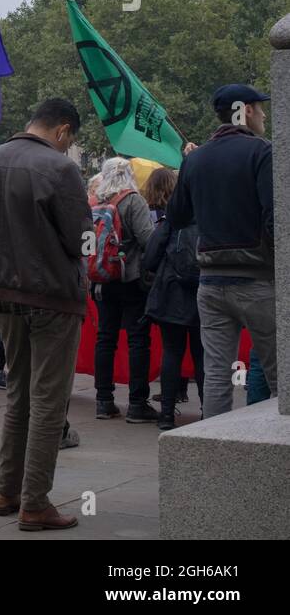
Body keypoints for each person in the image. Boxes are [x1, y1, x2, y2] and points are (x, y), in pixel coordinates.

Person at [0, 98, 89, 531]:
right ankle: (35, 502)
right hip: (52, 295)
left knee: (19, 393)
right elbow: (81, 240)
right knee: (48, 401)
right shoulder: (60, 170)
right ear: (61, 131)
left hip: (0, 291)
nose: (67, 146)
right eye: (69, 139)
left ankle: (6, 491)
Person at [168, 84, 277, 416]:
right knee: (279, 372)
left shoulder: (196, 158)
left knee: (217, 374)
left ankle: (214, 446)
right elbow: (274, 217)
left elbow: (177, 216)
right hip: (257, 280)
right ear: (244, 110)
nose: (263, 114)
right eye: (260, 108)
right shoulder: (262, 152)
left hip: (211, 281)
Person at [88, 156, 158, 423]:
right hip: (131, 279)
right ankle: (138, 403)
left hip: (103, 280)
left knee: (105, 339)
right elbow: (148, 240)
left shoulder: (95, 202)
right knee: (138, 340)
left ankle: (103, 401)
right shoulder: (133, 200)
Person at [141, 167, 201, 431]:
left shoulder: (170, 221)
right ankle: (210, 411)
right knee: (203, 354)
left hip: (171, 295)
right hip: (202, 294)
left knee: (172, 352)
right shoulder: (207, 218)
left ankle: (166, 414)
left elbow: (149, 259)